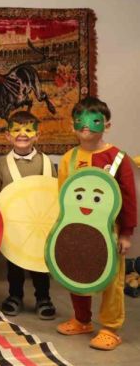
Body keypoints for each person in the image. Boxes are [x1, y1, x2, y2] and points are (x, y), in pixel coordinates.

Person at [55, 96, 136, 351]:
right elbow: (63, 197)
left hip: (110, 231)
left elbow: (129, 198)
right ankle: (82, 320)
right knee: (76, 272)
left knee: (112, 280)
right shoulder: (68, 158)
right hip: (76, 230)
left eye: (94, 120)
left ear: (106, 125)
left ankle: (111, 328)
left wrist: (126, 233)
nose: (86, 126)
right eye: (80, 120)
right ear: (72, 125)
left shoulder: (117, 158)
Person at [0, 111, 57, 320]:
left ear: (37, 135)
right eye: (16, 130)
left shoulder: (46, 162)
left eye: (29, 130)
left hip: (41, 224)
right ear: (8, 136)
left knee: (40, 263)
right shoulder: (2, 164)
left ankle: (43, 298)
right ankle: (15, 296)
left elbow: (53, 193)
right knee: (14, 263)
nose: (22, 134)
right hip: (15, 225)